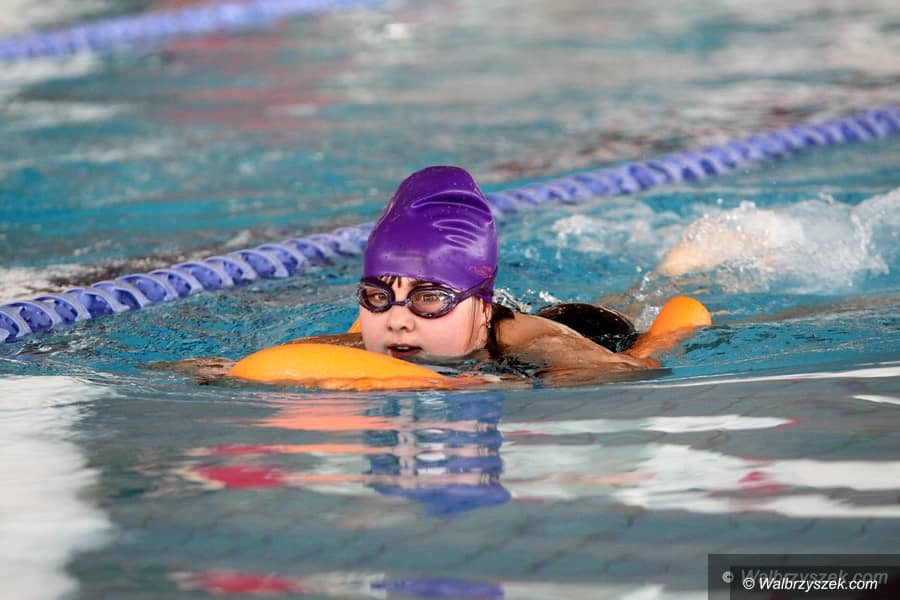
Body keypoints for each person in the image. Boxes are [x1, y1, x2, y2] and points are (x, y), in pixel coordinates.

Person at [169, 165, 707, 387]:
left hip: (594, 335)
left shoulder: (534, 340)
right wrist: (225, 371)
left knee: (640, 321)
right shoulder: (383, 333)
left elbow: (631, 374)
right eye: (377, 297)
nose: (398, 321)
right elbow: (294, 355)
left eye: (427, 298)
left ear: (480, 306)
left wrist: (512, 385)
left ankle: (679, 268)